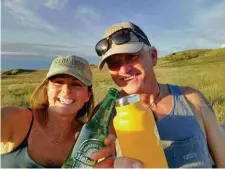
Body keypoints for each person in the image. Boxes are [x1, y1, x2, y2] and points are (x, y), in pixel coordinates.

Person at [95, 22, 225, 168]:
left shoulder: (191, 99)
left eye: (132, 57)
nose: (124, 69)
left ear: (153, 56)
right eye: (113, 63)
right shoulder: (105, 115)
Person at [1, 55, 116, 168]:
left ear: (88, 95)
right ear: (47, 90)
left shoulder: (87, 138)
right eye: (58, 82)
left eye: (76, 84)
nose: (66, 90)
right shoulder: (16, 119)